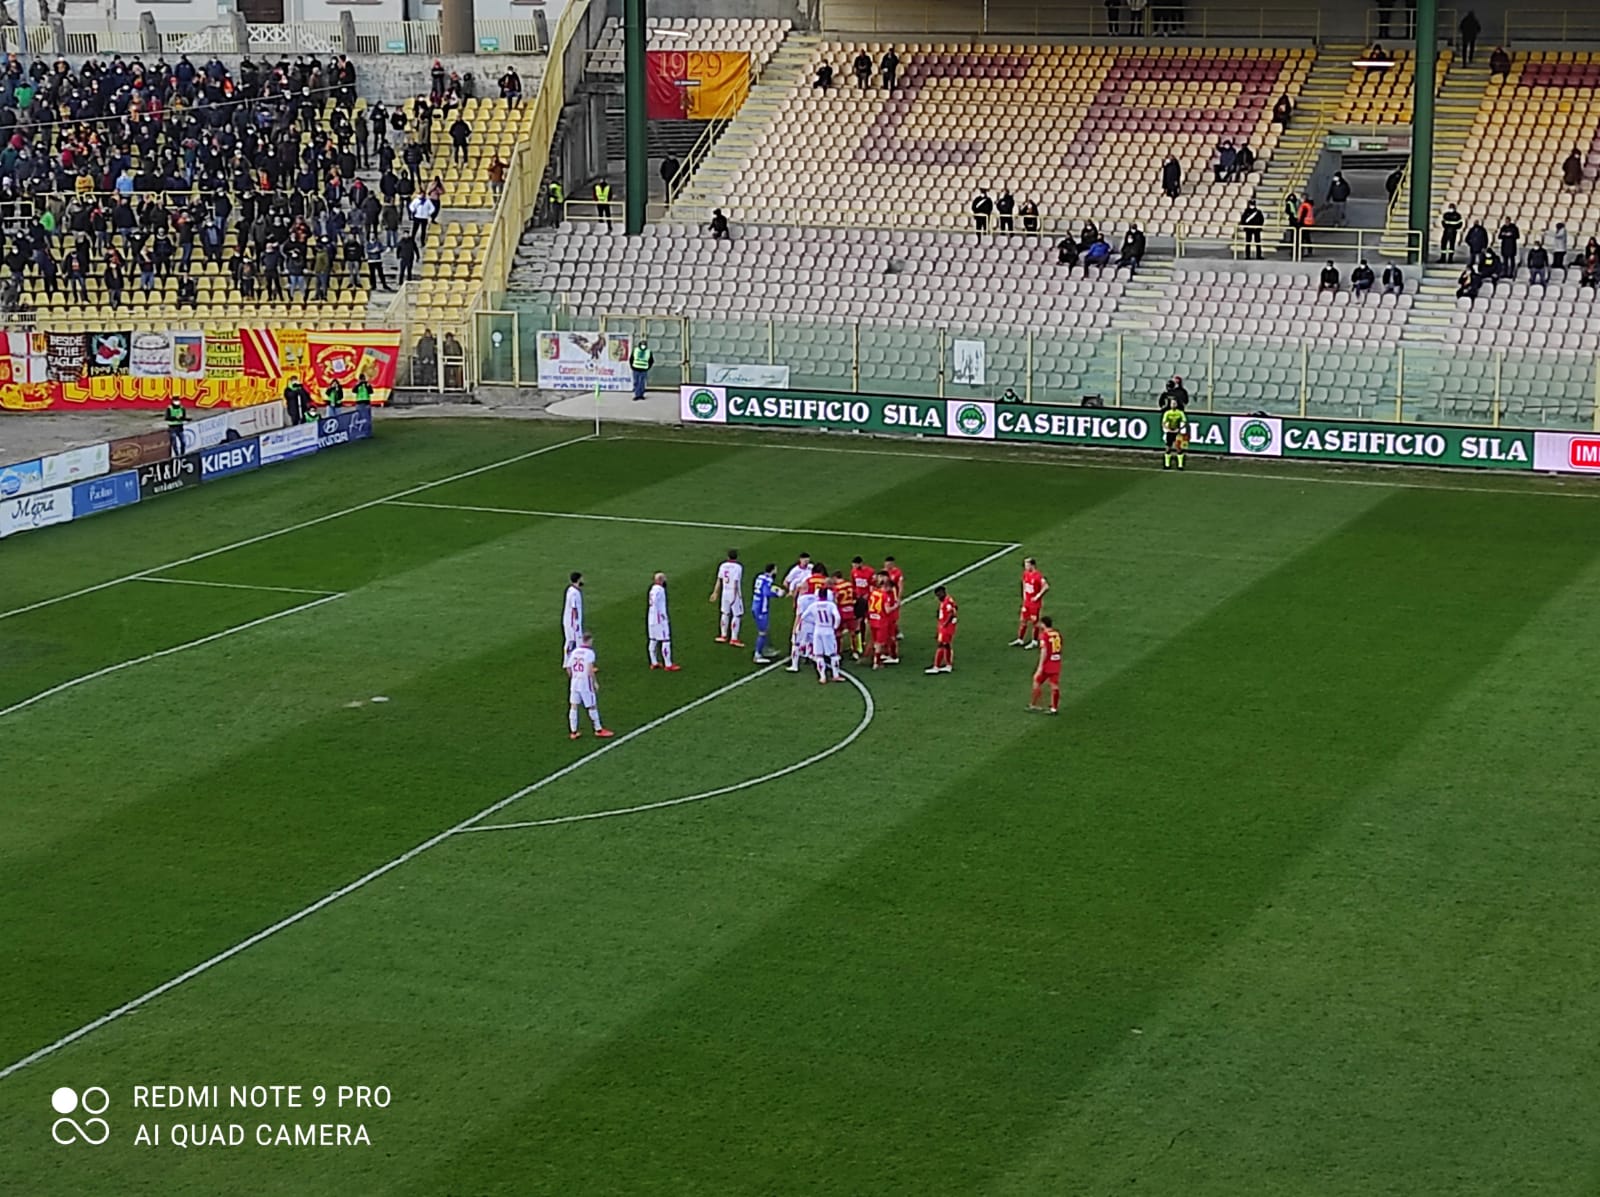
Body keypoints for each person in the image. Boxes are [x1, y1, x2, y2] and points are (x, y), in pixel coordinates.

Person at [566, 633, 612, 740]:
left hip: (574, 682)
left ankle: (573, 731)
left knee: (573, 705)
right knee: (591, 705)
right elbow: (590, 669)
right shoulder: (589, 653)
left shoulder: (575, 652)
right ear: (589, 640)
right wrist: (594, 682)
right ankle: (598, 729)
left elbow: (568, 667)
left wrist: (573, 676)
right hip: (585, 683)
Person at [1028, 615, 1064, 715]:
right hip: (1056, 662)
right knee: (1054, 685)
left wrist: (1040, 666)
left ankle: (1034, 704)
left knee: (1036, 680)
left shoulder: (1044, 635)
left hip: (1047, 663)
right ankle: (1054, 708)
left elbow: (1044, 650)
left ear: (1043, 624)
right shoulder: (1057, 633)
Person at [710, 548, 745, 646]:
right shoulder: (738, 567)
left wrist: (715, 593)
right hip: (734, 592)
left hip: (724, 592)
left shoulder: (723, 566)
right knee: (737, 615)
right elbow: (736, 581)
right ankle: (734, 638)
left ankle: (723, 635)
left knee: (725, 613)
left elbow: (719, 580)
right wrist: (736, 595)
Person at [1012, 557, 1049, 648]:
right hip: (1027, 602)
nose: (1025, 566)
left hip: (1035, 604)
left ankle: (1034, 641)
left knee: (1035, 622)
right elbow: (1024, 583)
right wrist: (1024, 594)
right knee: (1023, 620)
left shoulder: (1038, 576)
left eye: (1027, 565)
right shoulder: (1025, 574)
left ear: (1032, 565)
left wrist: (1038, 596)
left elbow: (1046, 586)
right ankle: (1020, 639)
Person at [810, 586, 843, 684]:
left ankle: (822, 677)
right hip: (828, 630)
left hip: (818, 630)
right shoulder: (831, 605)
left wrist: (814, 621)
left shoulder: (814, 605)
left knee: (819, 655)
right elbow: (837, 617)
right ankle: (835, 675)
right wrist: (835, 626)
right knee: (833, 654)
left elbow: (804, 616)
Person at [646, 572, 678, 671]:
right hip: (659, 619)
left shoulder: (652, 589)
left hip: (651, 618)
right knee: (665, 640)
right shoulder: (660, 590)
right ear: (660, 580)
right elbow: (655, 602)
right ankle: (668, 664)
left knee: (653, 640)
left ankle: (654, 662)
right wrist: (662, 616)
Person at [925, 586, 958, 674]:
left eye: (939, 594)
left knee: (941, 645)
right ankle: (948, 665)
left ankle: (936, 666)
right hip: (947, 627)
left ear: (943, 593)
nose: (938, 597)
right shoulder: (948, 600)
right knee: (947, 645)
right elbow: (955, 608)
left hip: (946, 628)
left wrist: (944, 625)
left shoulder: (947, 601)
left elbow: (951, 613)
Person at [751, 563, 781, 664]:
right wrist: (777, 594)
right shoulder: (769, 580)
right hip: (761, 609)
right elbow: (766, 592)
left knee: (766, 629)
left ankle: (766, 649)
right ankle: (757, 654)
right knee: (762, 632)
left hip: (755, 605)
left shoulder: (760, 576)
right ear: (772, 570)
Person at [865, 572, 892, 670]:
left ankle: (872, 658)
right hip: (881, 621)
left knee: (875, 641)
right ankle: (876, 662)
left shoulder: (874, 593)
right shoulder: (885, 595)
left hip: (873, 619)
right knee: (879, 643)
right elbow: (887, 610)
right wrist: (895, 606)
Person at [849, 556, 874, 659]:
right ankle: (862, 641)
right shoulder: (853, 572)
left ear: (860, 564)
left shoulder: (870, 572)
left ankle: (872, 641)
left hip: (868, 599)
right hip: (859, 600)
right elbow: (853, 585)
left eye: (855, 565)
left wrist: (868, 595)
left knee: (870, 620)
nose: (854, 567)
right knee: (860, 621)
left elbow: (873, 585)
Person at [832, 569, 857, 665]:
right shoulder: (849, 584)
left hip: (841, 612)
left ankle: (838, 652)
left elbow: (836, 600)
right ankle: (855, 651)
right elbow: (855, 596)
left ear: (835, 578)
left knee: (838, 633)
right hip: (850, 611)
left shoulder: (836, 588)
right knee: (853, 633)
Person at [562, 572, 585, 668]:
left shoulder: (571, 589)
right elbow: (574, 608)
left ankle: (576, 663)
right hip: (572, 623)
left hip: (571, 621)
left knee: (575, 642)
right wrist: (576, 623)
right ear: (578, 580)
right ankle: (568, 663)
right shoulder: (574, 593)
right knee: (572, 642)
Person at [883, 556, 904, 661]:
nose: (887, 566)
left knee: (892, 622)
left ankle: (893, 654)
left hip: (892, 600)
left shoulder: (897, 573)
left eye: (889, 564)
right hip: (885, 601)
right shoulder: (883, 573)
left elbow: (900, 586)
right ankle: (888, 652)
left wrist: (898, 599)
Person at [1161, 402, 1188, 471]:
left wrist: (1179, 429)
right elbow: (1163, 423)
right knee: (1168, 448)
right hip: (1169, 432)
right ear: (1170, 405)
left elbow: (1185, 422)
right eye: (1172, 404)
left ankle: (1180, 465)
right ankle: (1167, 465)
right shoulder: (1167, 413)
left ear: (1177, 405)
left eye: (1175, 404)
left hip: (1177, 432)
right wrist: (1168, 429)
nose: (1173, 405)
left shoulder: (1180, 413)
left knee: (1179, 448)